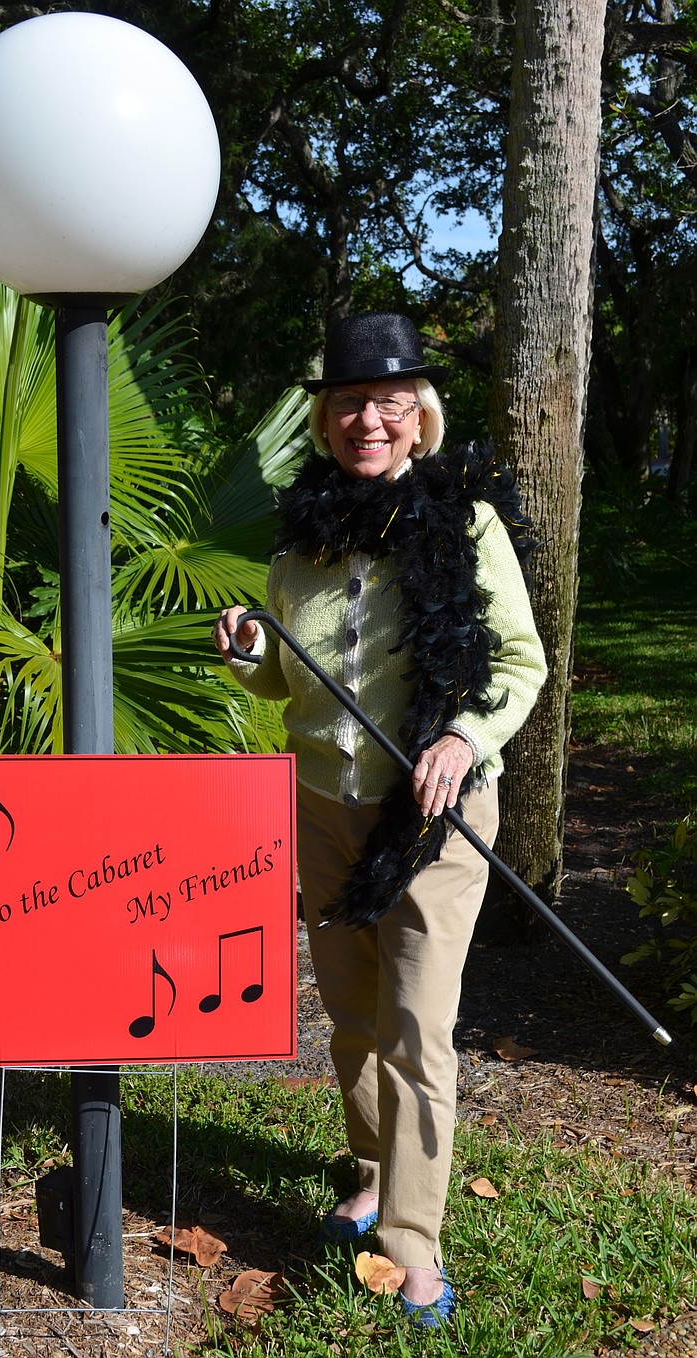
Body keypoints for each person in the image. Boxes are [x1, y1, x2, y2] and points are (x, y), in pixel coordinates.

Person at [212, 312, 547, 1327]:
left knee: (414, 1025)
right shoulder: (300, 539)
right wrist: (244, 646)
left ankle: (412, 1242)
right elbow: (285, 680)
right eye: (351, 401)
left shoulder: (469, 524)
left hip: (432, 814)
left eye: (388, 401)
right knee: (352, 1014)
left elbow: (521, 664)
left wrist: (464, 737)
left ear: (419, 414)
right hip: (324, 804)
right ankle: (370, 1172)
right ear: (326, 416)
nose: (369, 418)